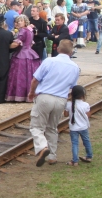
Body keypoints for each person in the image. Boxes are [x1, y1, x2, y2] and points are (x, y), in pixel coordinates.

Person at [28, 39, 80, 167]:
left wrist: (31, 93)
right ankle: (52, 156)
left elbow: (35, 80)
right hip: (61, 99)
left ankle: (42, 147)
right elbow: (73, 87)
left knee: (36, 127)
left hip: (45, 97)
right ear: (71, 51)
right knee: (52, 128)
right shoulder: (75, 67)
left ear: (58, 49)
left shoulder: (49, 61)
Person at [6, 15, 41, 103]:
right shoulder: (30, 30)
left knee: (19, 75)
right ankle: (30, 94)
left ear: (25, 22)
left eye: (21, 21)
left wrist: (6, 46)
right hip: (30, 52)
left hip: (22, 54)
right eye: (18, 21)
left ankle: (20, 95)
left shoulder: (23, 31)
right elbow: (31, 43)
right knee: (30, 75)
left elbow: (16, 43)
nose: (19, 22)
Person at [65, 85, 93, 166]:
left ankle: (75, 161)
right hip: (84, 127)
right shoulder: (86, 104)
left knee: (75, 144)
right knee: (87, 142)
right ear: (83, 95)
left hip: (73, 128)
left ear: (72, 94)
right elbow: (88, 115)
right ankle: (89, 156)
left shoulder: (69, 104)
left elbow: (66, 115)